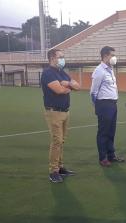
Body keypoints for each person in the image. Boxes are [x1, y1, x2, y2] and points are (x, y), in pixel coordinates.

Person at [40, 48, 80, 183]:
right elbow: (59, 90)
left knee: (62, 141)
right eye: (60, 57)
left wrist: (66, 83)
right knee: (57, 141)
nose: (63, 59)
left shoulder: (62, 73)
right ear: (52, 58)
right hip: (54, 112)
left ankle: (60, 167)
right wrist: (69, 86)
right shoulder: (48, 73)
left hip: (65, 111)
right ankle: (53, 171)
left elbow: (78, 86)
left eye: (63, 56)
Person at [90, 46, 125, 167]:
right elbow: (93, 91)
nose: (114, 58)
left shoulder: (110, 69)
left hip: (112, 104)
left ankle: (111, 155)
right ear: (105, 56)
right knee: (103, 132)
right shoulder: (99, 71)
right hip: (104, 104)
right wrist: (97, 106)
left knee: (111, 131)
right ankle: (103, 157)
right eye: (112, 55)